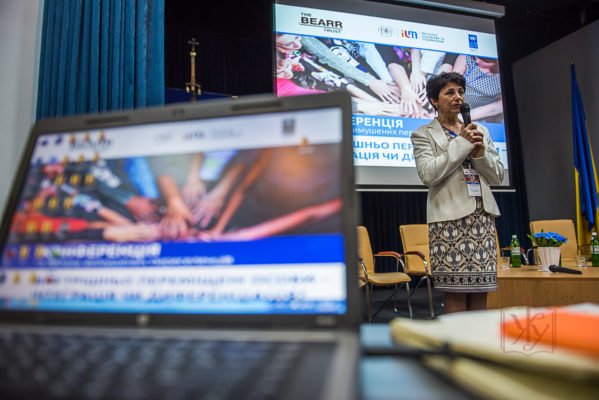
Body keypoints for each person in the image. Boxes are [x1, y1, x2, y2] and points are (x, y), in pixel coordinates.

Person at [410, 72, 505, 313]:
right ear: (434, 100)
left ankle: (478, 337)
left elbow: (497, 176)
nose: (458, 97)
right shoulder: (423, 134)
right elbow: (428, 174)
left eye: (461, 92)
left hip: (481, 220)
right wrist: (462, 144)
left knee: (482, 289)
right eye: (450, 92)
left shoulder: (479, 130)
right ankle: (456, 337)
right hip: (448, 221)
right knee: (456, 291)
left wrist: (480, 155)